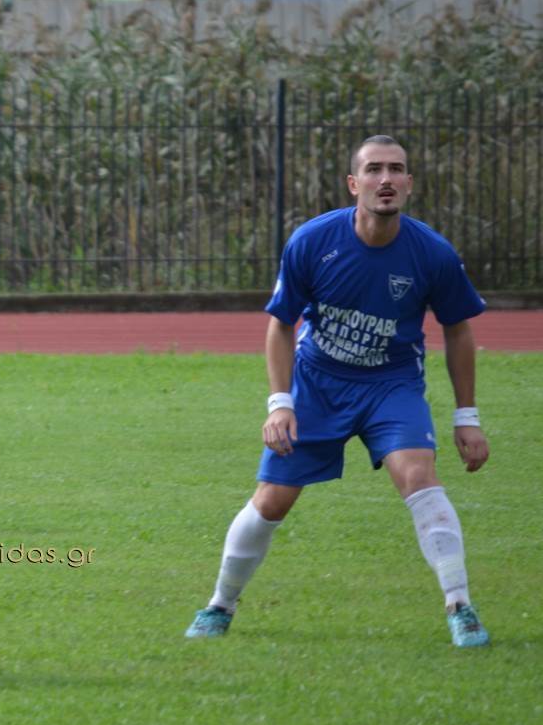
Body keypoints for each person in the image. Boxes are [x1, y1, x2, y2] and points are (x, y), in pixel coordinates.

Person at [184, 135, 491, 647]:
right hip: (318, 385)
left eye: (396, 169)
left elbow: (458, 329)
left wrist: (467, 417)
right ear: (354, 183)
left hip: (392, 385)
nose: (385, 179)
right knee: (272, 500)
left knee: (418, 476)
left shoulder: (433, 253)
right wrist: (280, 404)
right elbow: (281, 324)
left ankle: (461, 607)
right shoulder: (312, 241)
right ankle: (220, 605)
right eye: (374, 169)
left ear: (409, 184)